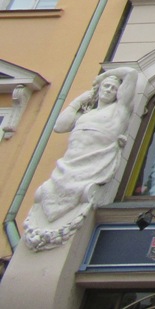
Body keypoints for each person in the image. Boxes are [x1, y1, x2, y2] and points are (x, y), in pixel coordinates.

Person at [35, 67, 139, 223]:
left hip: (95, 163)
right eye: (106, 86)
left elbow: (131, 73)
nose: (109, 90)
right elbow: (59, 126)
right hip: (69, 164)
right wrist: (78, 101)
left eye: (113, 88)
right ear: (99, 89)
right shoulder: (86, 114)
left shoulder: (119, 110)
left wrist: (103, 75)